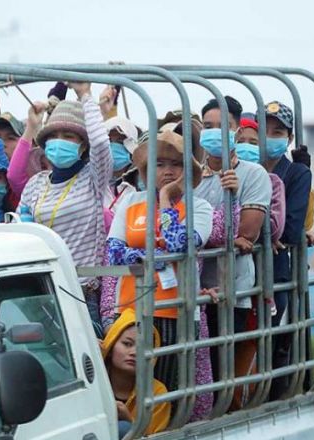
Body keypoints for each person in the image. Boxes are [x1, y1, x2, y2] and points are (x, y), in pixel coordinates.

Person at [104, 129, 214, 420]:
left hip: (175, 314)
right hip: (130, 312)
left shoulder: (199, 206)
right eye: (159, 164)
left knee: (166, 388)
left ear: (187, 170)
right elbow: (114, 250)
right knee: (128, 386)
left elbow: (181, 243)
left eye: (175, 165)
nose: (167, 171)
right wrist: (151, 257)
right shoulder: (130, 202)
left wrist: (167, 199)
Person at [17, 82, 113, 336]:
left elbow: (102, 144)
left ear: (83, 145)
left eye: (69, 136)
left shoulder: (93, 177)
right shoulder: (36, 183)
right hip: (40, 293)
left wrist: (85, 95)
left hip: (80, 292)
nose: (60, 142)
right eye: (54, 136)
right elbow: (18, 228)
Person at [195, 97, 272, 402]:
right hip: (194, 288)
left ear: (237, 131)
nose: (214, 133)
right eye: (208, 126)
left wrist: (233, 194)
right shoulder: (189, 176)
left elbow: (247, 233)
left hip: (231, 289)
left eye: (222, 127)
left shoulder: (253, 174)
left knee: (221, 368)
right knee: (192, 365)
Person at [261, 101, 313, 401]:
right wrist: (268, 234)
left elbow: (291, 230)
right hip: (245, 270)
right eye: (265, 130)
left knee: (273, 335)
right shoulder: (244, 166)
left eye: (277, 131)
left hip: (277, 271)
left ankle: (272, 394)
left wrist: (256, 233)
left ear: (289, 138)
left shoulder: (296, 174)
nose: (271, 136)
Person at [102, 309, 171, 436]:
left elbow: (155, 437)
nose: (134, 352)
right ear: (111, 346)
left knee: (123, 428)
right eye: (127, 344)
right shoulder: (93, 383)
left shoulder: (157, 393)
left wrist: (130, 421)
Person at [234, 116, 287, 242]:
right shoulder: (220, 176)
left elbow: (274, 230)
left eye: (253, 143)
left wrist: (253, 221)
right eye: (240, 142)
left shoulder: (272, 182)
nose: (246, 147)